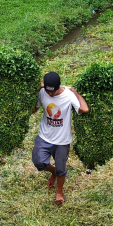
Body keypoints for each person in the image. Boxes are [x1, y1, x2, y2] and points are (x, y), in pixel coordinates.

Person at [32, 71, 89, 205]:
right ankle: (54, 173)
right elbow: (34, 110)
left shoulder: (68, 95)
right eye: (48, 91)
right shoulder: (42, 92)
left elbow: (84, 109)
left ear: (58, 87)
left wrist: (76, 93)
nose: (50, 94)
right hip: (44, 136)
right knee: (38, 161)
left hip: (62, 140)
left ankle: (59, 192)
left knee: (61, 168)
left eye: (53, 91)